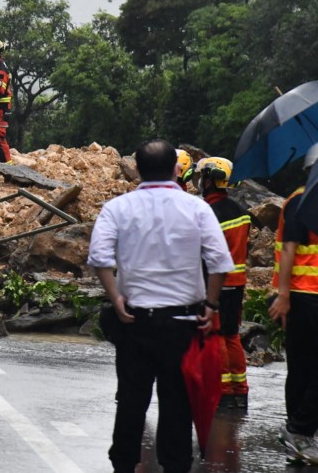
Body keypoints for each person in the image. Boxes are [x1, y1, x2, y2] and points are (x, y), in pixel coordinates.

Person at [88, 139, 233, 473]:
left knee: (131, 401)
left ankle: (123, 464)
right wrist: (210, 304)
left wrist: (116, 297)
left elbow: (99, 258)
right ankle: (175, 464)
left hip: (133, 322)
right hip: (182, 323)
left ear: (137, 168)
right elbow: (220, 261)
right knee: (177, 404)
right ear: (176, 169)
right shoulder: (197, 208)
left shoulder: (118, 208)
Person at [269, 142, 318, 465]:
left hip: (307, 298)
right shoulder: (301, 201)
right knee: (301, 366)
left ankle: (299, 431)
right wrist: (283, 295)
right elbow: (289, 250)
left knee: (303, 367)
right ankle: (299, 430)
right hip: (303, 297)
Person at [195, 156, 251, 409]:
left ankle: (225, 391)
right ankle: (240, 390)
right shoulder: (241, 212)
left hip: (217, 283)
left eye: (202, 177)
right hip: (237, 282)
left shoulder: (210, 213)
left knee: (218, 336)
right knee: (232, 336)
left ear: (209, 180)